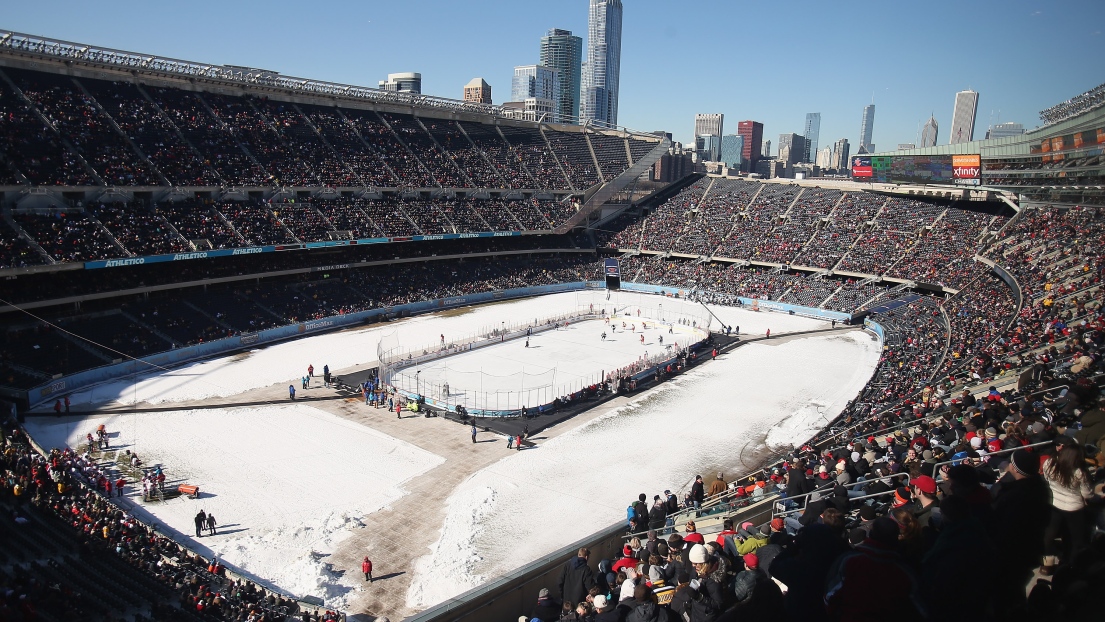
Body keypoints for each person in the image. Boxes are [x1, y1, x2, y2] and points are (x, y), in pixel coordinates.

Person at [1040, 442, 1096, 574]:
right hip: (1074, 508)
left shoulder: (1049, 463)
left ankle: (1048, 565)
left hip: (1055, 503)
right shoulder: (1079, 472)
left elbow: (1047, 479)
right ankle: (1070, 565)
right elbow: (1088, 494)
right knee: (1074, 538)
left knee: (1049, 534)